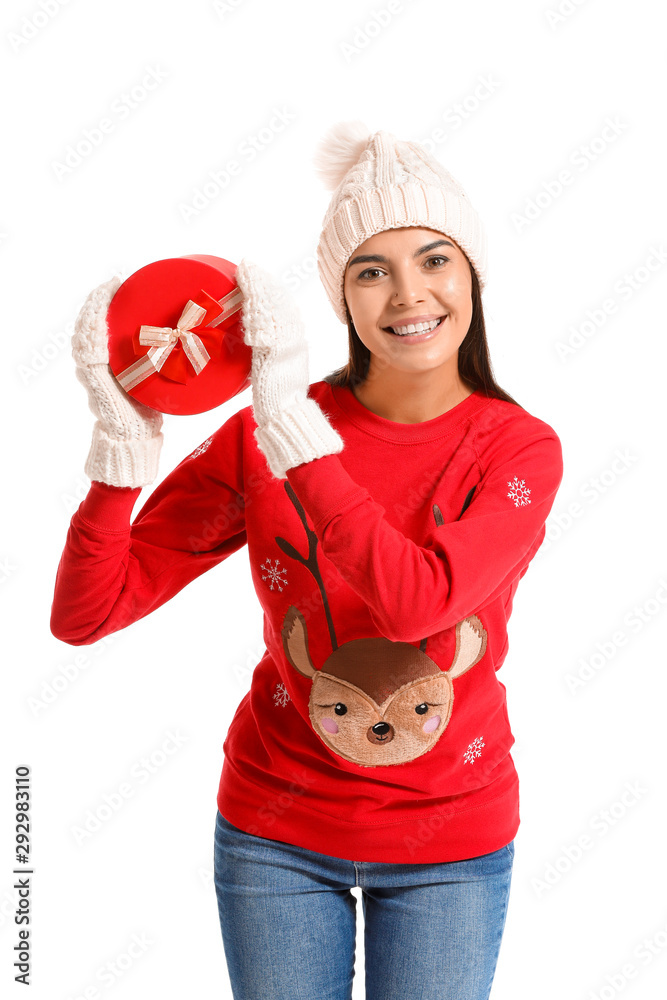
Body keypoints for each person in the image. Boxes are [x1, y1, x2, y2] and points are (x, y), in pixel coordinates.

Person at [50, 120, 564, 1000]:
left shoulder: (517, 449)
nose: (409, 292)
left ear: (470, 272)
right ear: (342, 299)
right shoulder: (263, 435)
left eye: (434, 258)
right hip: (275, 837)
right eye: (372, 270)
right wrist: (120, 457)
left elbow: (415, 607)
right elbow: (87, 613)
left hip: (451, 842)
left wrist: (294, 434)